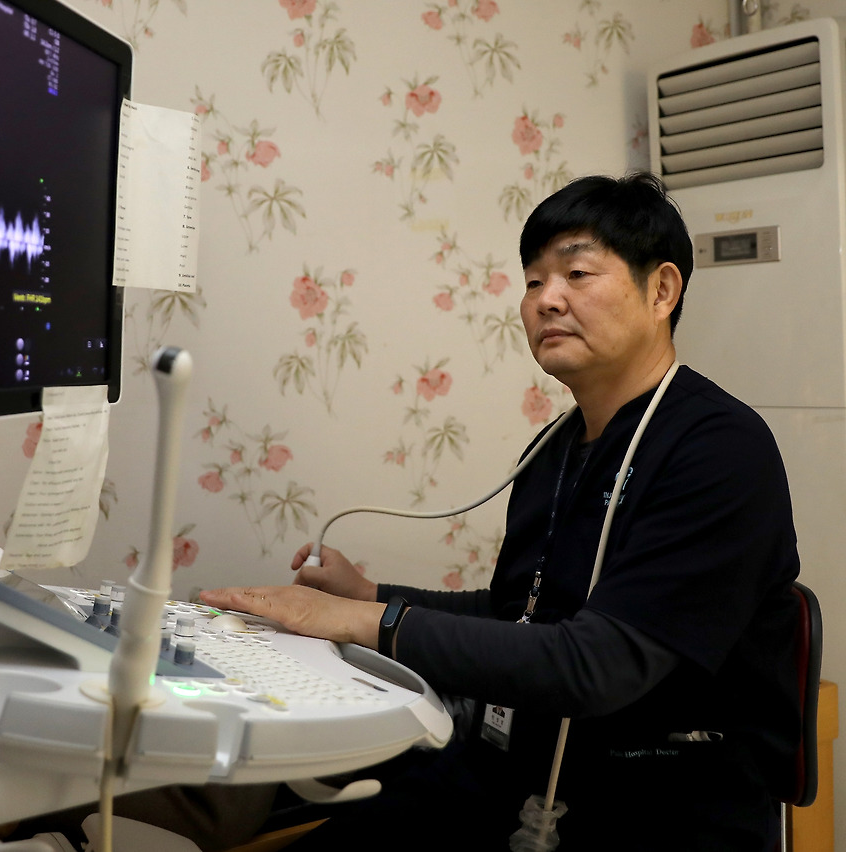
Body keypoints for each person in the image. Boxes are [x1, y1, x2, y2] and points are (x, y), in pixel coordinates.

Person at [200, 172, 801, 850]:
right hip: (519, 773)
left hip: (659, 808)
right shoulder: (554, 449)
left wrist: (366, 621)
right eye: (534, 281)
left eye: (576, 272)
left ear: (661, 290)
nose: (548, 300)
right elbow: (520, 613)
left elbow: (596, 665)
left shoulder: (718, 448)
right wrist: (371, 595)